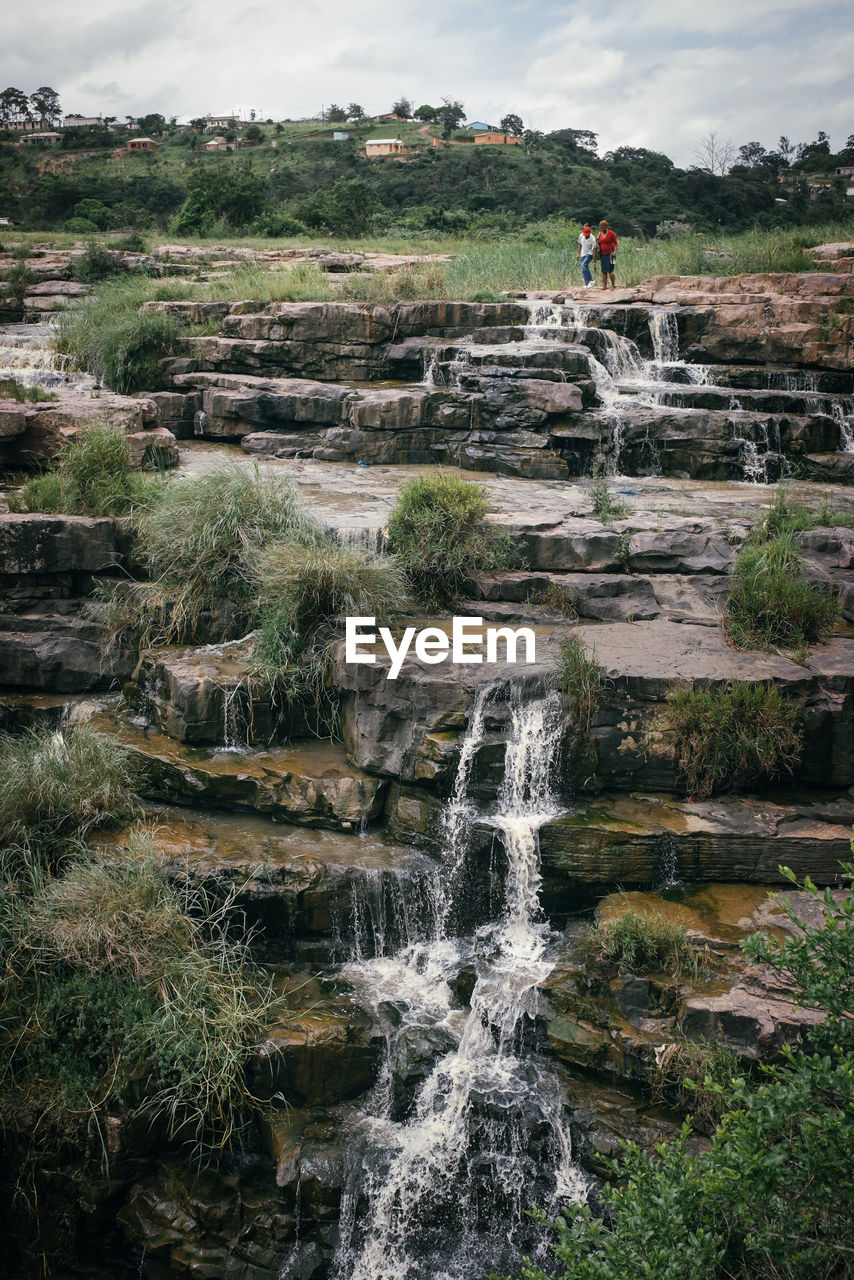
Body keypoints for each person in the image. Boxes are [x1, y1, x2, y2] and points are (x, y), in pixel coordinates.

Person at [597, 219, 618, 289]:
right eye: (601, 227)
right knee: (603, 271)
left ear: (606, 227)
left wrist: (615, 252)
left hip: (612, 254)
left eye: (603, 227)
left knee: (611, 271)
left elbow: (616, 243)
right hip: (603, 254)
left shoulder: (611, 233)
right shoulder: (599, 234)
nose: (602, 229)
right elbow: (598, 242)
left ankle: (613, 285)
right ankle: (604, 286)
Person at [576, 223, 596, 288]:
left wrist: (594, 263)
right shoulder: (581, 236)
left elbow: (594, 251)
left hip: (589, 254)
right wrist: (578, 254)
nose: (586, 236)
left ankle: (590, 281)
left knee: (583, 265)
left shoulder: (593, 239)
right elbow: (580, 245)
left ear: (590, 233)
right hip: (583, 253)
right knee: (583, 268)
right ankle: (587, 284)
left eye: (587, 235)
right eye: (585, 235)